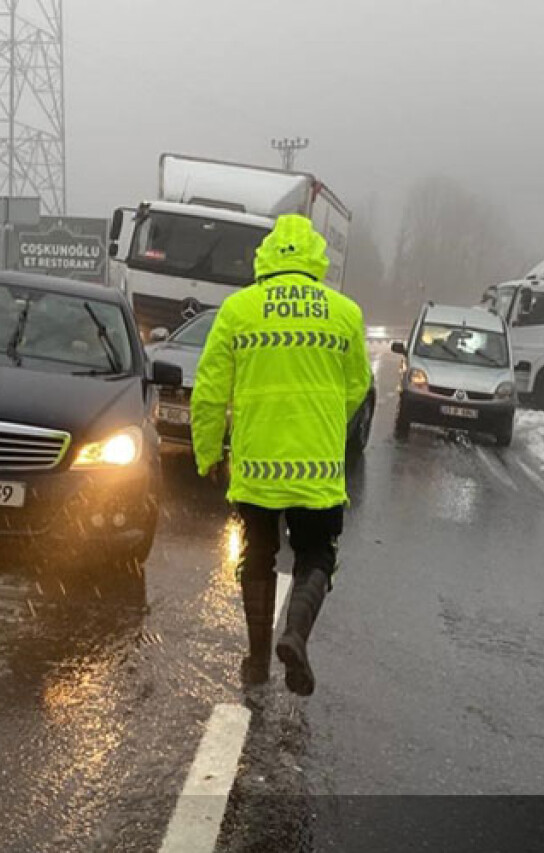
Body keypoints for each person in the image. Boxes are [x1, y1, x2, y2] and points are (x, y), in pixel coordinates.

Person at [190, 214, 371, 695]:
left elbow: (209, 392)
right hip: (316, 469)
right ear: (315, 256)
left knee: (258, 556)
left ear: (265, 256)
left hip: (256, 466)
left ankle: (255, 662)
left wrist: (208, 452)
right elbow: (358, 387)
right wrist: (325, 421)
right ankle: (295, 633)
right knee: (316, 553)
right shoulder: (345, 313)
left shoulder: (238, 310)